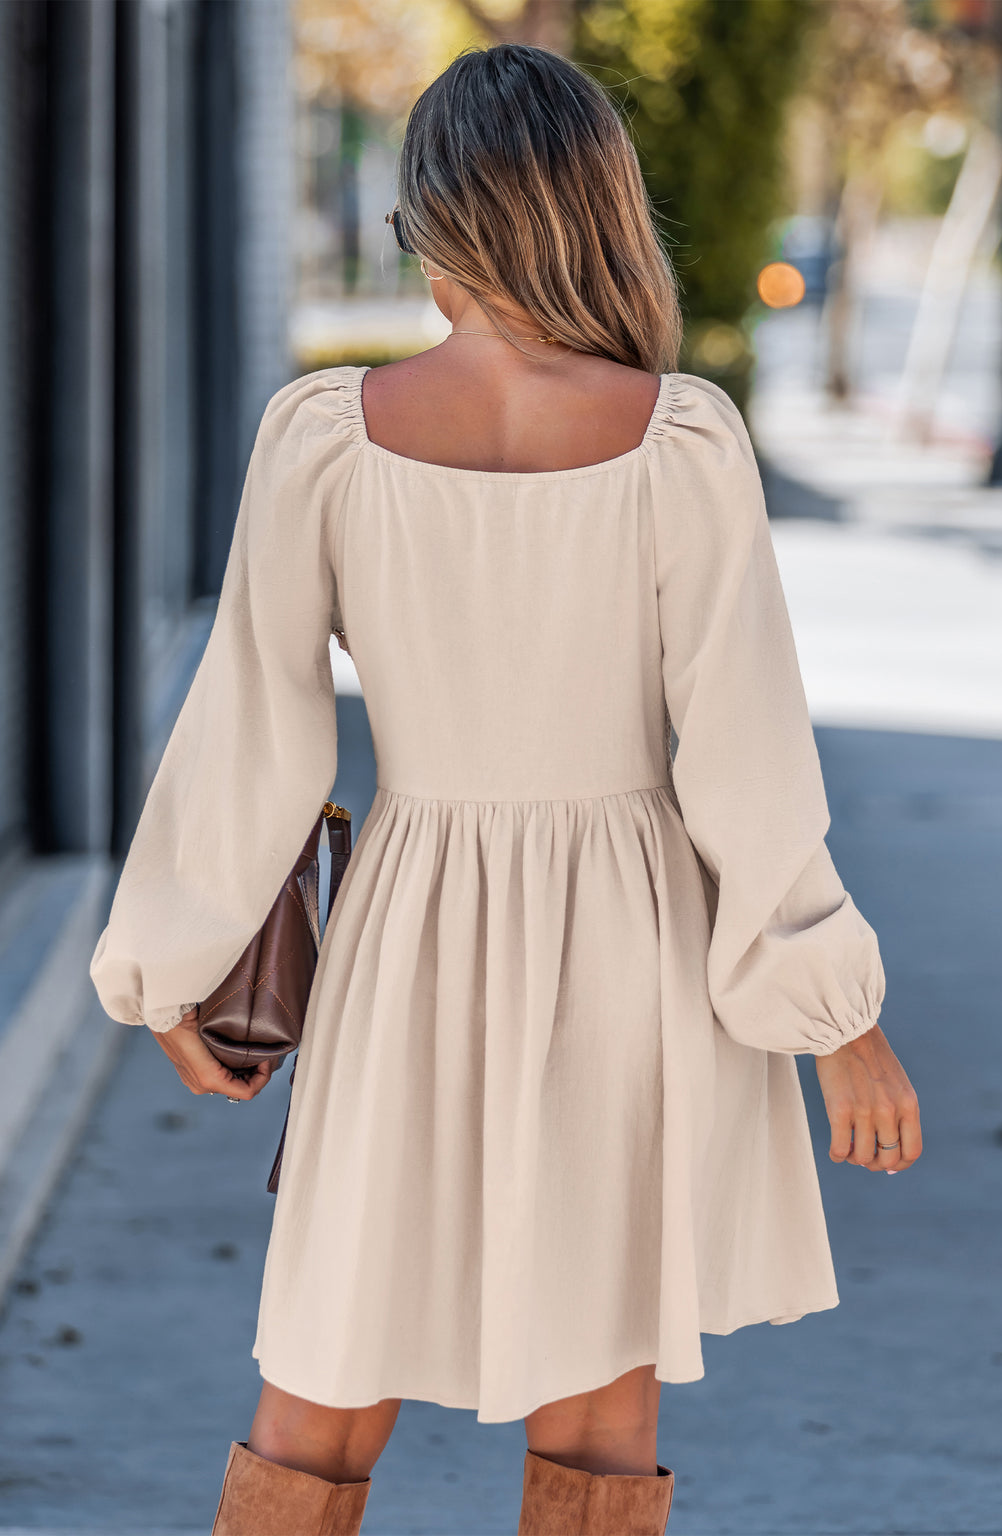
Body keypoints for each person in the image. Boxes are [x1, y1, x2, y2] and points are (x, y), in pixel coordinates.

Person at [89, 40, 922, 1536]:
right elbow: (744, 760)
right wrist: (836, 1020)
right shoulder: (680, 439)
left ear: (431, 218)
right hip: (635, 942)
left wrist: (169, 969)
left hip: (408, 934)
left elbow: (253, 727)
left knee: (325, 1384)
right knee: (600, 1422)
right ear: (595, 209)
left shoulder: (327, 437)